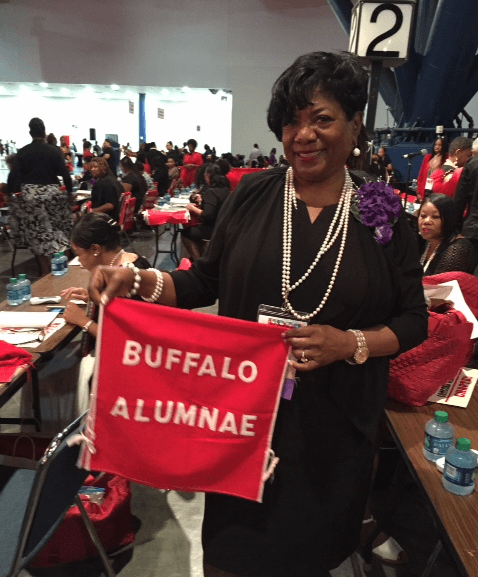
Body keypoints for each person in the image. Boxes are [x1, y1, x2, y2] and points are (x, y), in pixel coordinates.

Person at [89, 52, 427, 577]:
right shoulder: (253, 196)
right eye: (291, 121)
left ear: (355, 123)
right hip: (242, 424)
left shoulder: (379, 209)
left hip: (333, 431)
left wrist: (350, 343)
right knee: (230, 557)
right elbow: (204, 282)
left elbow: (412, 320)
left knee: (308, 561)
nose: (303, 135)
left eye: (321, 118)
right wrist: (133, 281)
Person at [62, 212, 150, 338]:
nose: (79, 261)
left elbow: (124, 337)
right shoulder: (132, 260)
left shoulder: (123, 279)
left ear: (95, 249)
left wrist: (83, 321)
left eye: (79, 255)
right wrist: (92, 299)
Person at [6, 117, 73, 275]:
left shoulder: (23, 152)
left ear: (30, 133)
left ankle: (45, 273)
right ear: (44, 133)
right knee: (58, 232)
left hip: (31, 198)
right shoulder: (54, 151)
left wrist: (10, 193)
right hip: (52, 195)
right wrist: (69, 192)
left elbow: (13, 176)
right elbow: (65, 174)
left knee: (38, 237)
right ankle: (64, 269)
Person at [181, 163, 230, 260]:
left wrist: (192, 208)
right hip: (223, 227)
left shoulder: (211, 192)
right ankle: (203, 259)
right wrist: (202, 201)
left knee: (186, 233)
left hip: (212, 229)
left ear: (208, 176)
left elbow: (208, 215)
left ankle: (198, 262)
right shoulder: (225, 189)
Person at [419, 194, 476, 275]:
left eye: (435, 217)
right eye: (423, 216)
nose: (426, 221)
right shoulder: (429, 241)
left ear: (448, 219)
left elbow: (438, 282)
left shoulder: (457, 249)